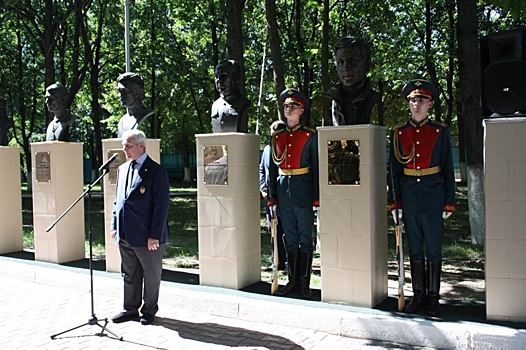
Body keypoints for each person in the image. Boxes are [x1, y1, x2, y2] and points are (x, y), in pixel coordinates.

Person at [388, 79, 456, 317]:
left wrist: (450, 200)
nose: (417, 104)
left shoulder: (439, 131)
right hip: (409, 196)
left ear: (430, 104)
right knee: (415, 247)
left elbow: (447, 166)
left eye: (422, 100)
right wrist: (394, 202)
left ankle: (433, 298)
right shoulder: (399, 133)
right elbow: (394, 171)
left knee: (433, 249)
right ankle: (418, 296)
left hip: (433, 195)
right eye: (413, 100)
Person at [110, 129, 169, 325]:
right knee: (129, 273)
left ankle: (150, 310)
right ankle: (130, 309)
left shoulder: (156, 171)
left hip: (147, 236)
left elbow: (161, 206)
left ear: (141, 146)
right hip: (125, 233)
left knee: (151, 274)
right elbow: (117, 202)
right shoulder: (122, 169)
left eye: (128, 145)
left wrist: (155, 235)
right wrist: (114, 224)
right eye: (124, 145)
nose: (124, 149)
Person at [268, 88, 319, 299]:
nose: (289, 109)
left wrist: (316, 196)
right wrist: (271, 195)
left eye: (293, 106)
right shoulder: (277, 137)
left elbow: (316, 167)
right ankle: (292, 281)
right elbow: (272, 168)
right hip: (283, 191)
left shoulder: (309, 135)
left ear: (301, 110)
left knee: (305, 238)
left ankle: (304, 283)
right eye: (286, 106)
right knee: (289, 238)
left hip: (303, 190)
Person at [324, 36, 381, 126]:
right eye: (340, 62)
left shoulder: (376, 100)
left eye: (352, 61)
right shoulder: (328, 100)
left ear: (366, 65)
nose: (346, 68)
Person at [259, 120, 287, 271]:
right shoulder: (267, 149)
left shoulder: (287, 149)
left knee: (286, 230)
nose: (274, 137)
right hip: (269, 196)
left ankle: (288, 262)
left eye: (277, 134)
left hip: (285, 196)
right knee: (273, 229)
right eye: (272, 134)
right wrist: (263, 188)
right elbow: (262, 170)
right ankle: (276, 261)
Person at [211, 59, 250, 133]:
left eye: (223, 76)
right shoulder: (215, 105)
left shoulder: (243, 103)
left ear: (237, 78)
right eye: (216, 76)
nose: (219, 80)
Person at [116, 72, 155, 138]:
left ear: (137, 93)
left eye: (125, 91)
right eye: (119, 91)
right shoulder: (122, 121)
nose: (120, 95)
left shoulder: (148, 117)